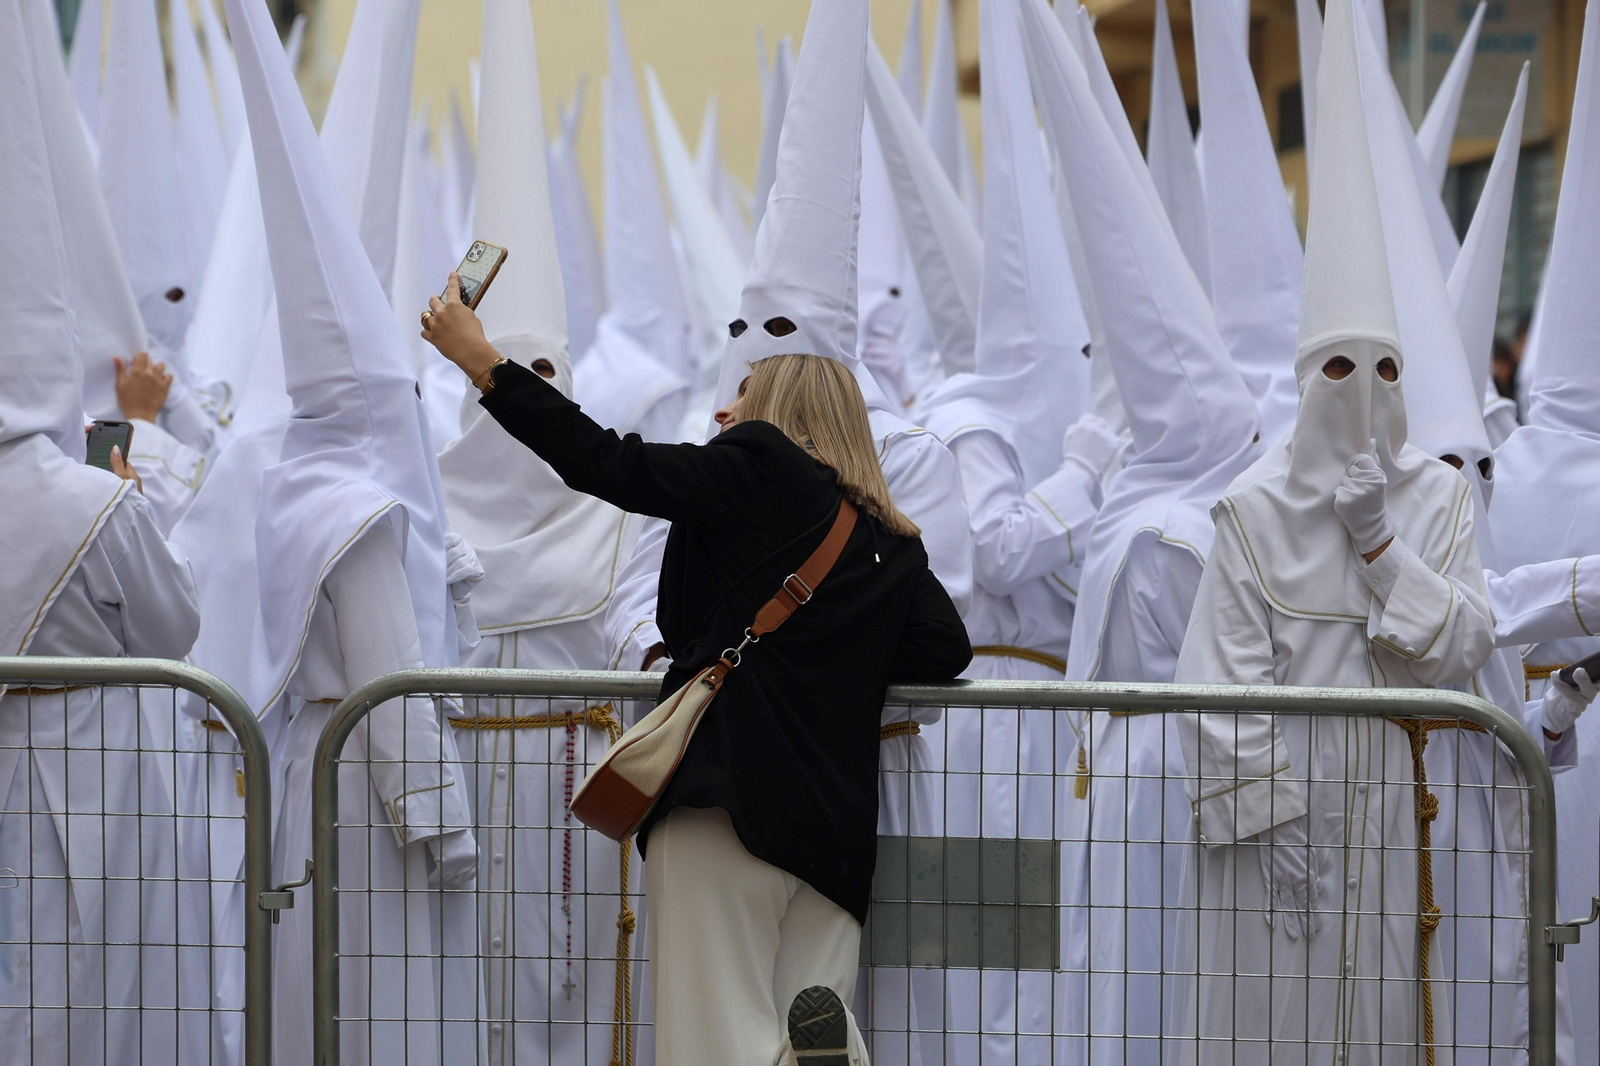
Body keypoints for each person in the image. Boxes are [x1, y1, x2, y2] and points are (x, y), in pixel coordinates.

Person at [425, 272, 971, 1063]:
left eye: (745, 393)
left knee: (715, 1040)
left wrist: (486, 366)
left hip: (724, 808)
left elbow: (607, 464)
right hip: (837, 835)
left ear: (782, 414)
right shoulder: (890, 537)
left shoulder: (758, 465)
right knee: (800, 1028)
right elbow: (943, 647)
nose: (726, 408)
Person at [1173, 3, 1495, 1061]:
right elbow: (1216, 681)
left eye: (1388, 369)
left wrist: (1379, 549)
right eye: (1339, 369)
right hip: (1283, 828)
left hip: (1403, 814)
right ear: (1304, 378)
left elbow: (1461, 648)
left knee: (1393, 1021)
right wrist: (1271, 822)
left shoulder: (1440, 501)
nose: (1364, 395)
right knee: (1278, 1022)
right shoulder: (1252, 508)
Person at [435, 4, 641, 1062]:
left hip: (575, 796)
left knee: (573, 999)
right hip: (459, 802)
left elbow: (647, 639)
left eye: (537, 385)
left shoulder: (618, 517)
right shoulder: (422, 509)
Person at [0, 0, 202, 1059]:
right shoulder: (92, 498)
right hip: (95, 768)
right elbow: (175, 627)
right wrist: (147, 475)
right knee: (100, 988)